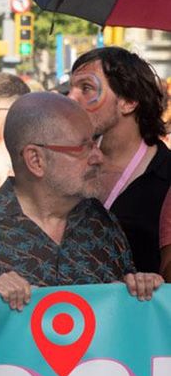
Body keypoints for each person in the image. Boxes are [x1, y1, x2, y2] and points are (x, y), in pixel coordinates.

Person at [0, 92, 163, 310]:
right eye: (83, 147)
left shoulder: (101, 222)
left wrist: (142, 287)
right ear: (35, 159)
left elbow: (123, 312)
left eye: (95, 143)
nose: (98, 157)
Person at [69, 47, 169, 274]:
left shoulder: (166, 176)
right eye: (71, 88)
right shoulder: (64, 164)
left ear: (129, 101)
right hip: (71, 307)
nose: (71, 98)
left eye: (86, 88)